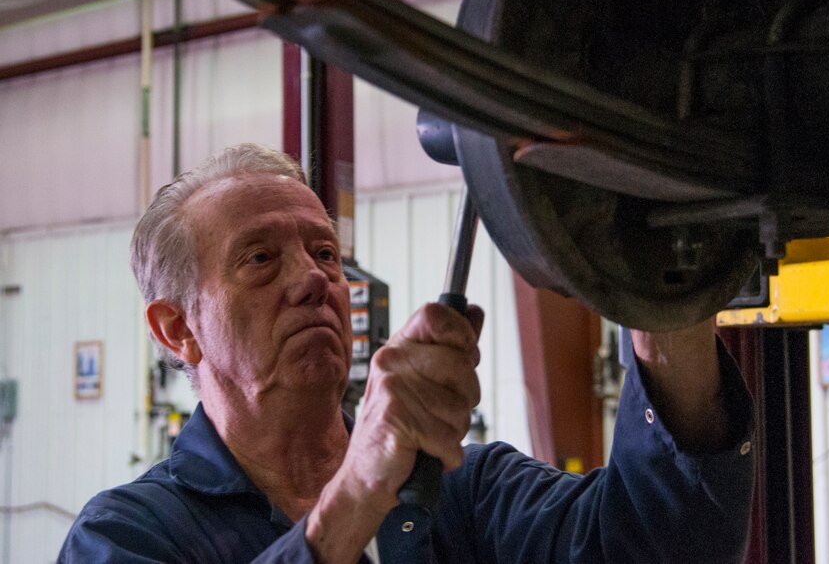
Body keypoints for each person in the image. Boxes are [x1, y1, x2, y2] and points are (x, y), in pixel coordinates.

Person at [58, 143, 753, 563]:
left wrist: (669, 299)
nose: (312, 280)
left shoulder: (467, 492)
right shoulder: (126, 536)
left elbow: (663, 548)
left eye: (325, 253)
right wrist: (357, 494)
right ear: (176, 328)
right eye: (261, 259)